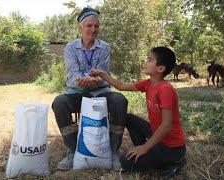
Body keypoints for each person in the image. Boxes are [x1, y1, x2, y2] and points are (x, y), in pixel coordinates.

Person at [90, 46, 186, 178]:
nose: (146, 62)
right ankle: (147, 151)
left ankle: (175, 160)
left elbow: (166, 125)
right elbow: (121, 86)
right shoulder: (148, 84)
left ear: (160, 69)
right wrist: (102, 74)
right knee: (128, 118)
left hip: (171, 146)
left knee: (125, 162)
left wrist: (145, 148)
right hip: (156, 135)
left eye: (150, 60)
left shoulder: (165, 89)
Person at [52, 7, 128, 171]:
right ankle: (72, 150)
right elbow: (71, 75)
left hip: (100, 92)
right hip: (77, 93)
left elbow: (103, 73)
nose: (93, 29)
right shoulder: (71, 48)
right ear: (80, 27)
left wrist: (95, 80)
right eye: (89, 26)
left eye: (96, 26)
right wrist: (81, 81)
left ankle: (114, 151)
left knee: (119, 101)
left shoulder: (104, 47)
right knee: (59, 103)